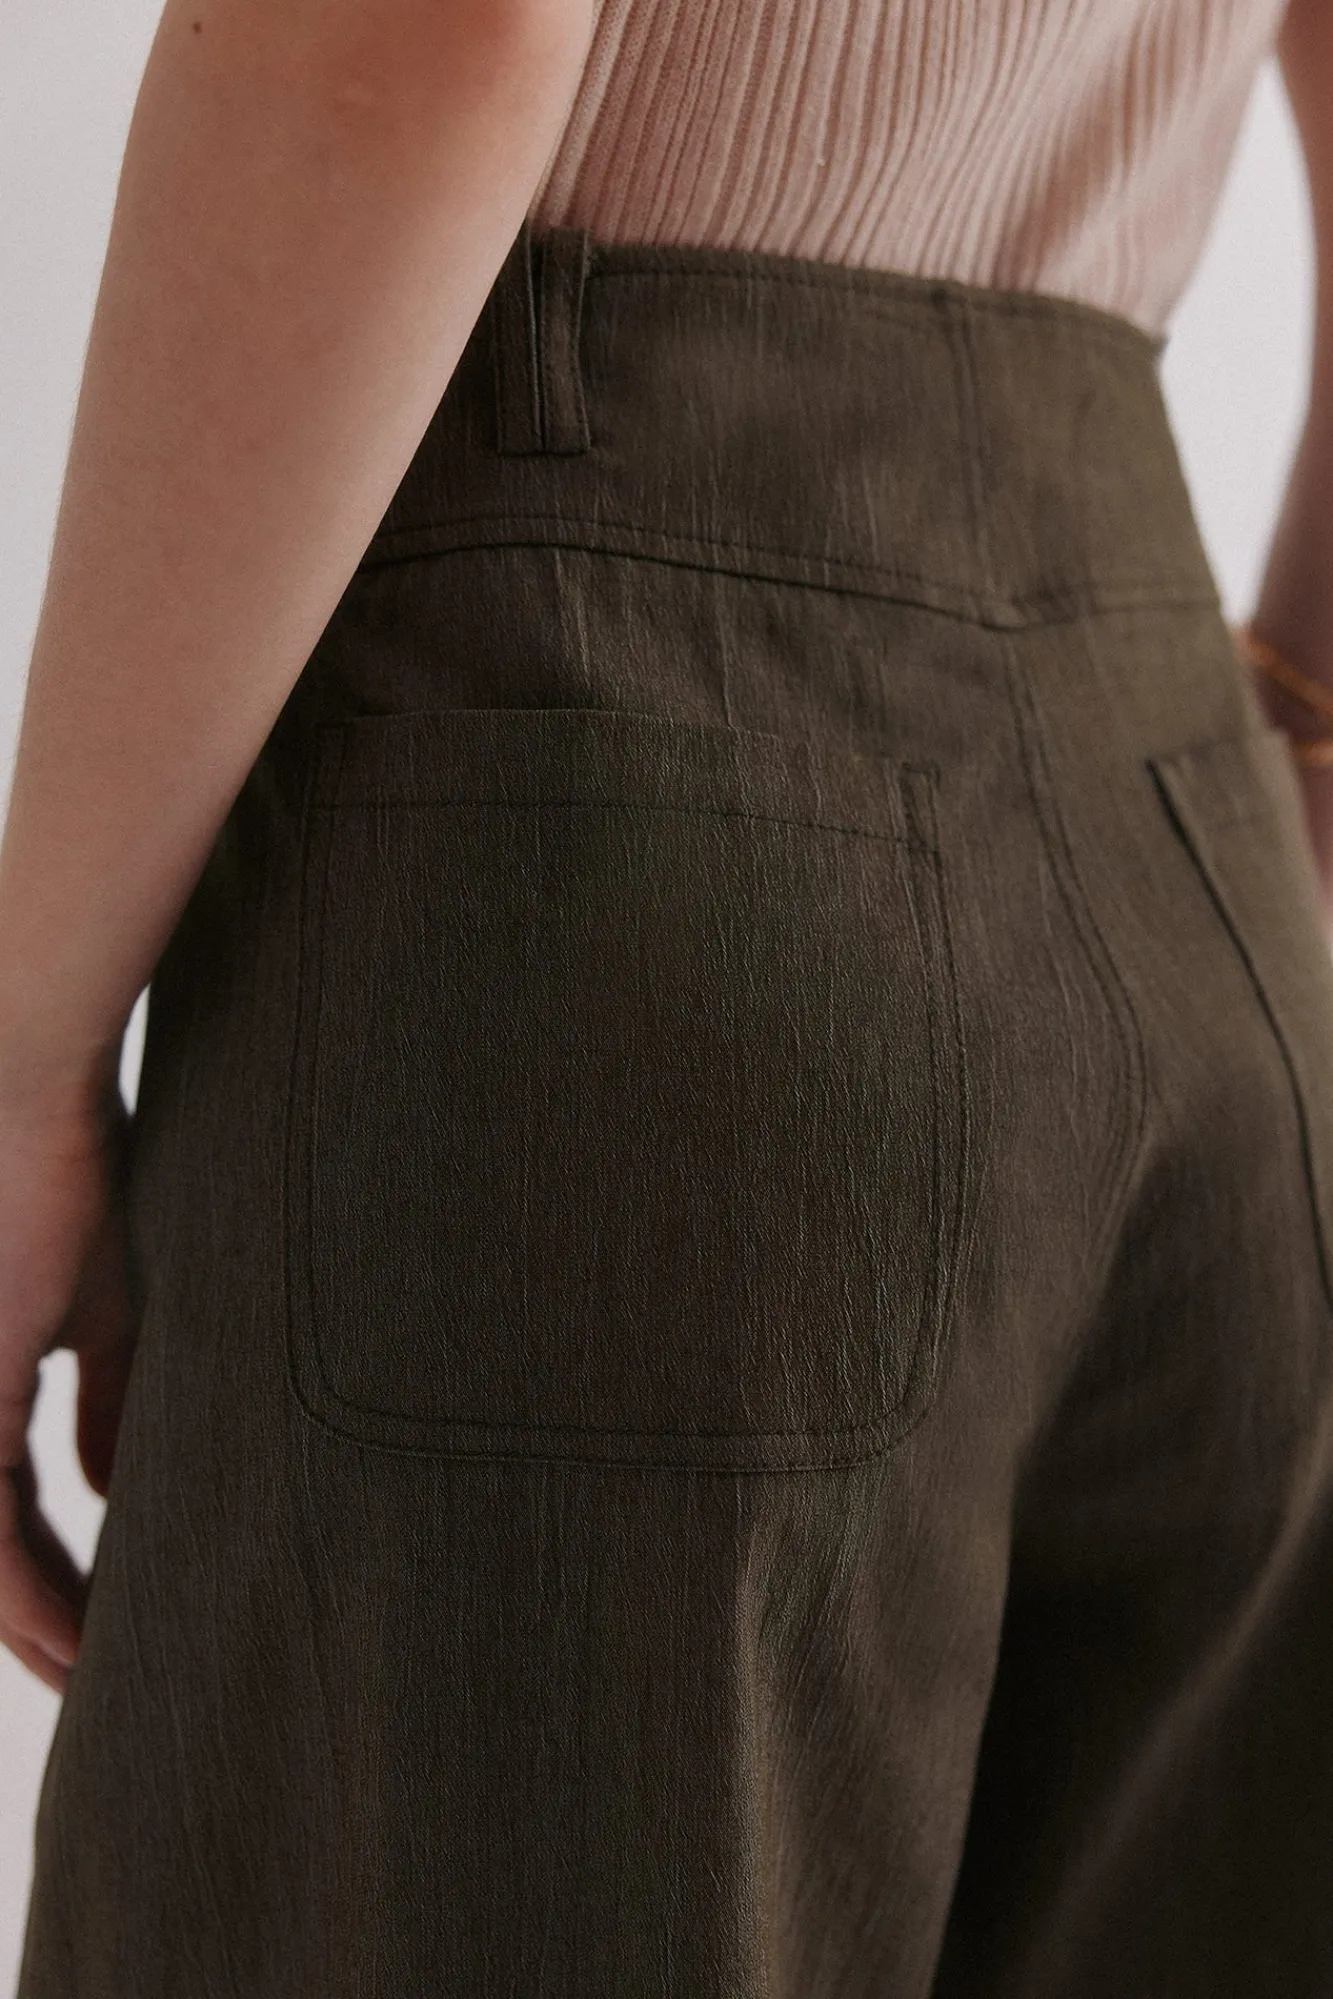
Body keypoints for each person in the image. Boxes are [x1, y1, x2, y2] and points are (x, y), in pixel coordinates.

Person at [6, 0, 1333, 1991]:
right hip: (1187, 867)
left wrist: (23, 1063)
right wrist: (1293, 747)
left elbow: (424, 31)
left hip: (604, 830)